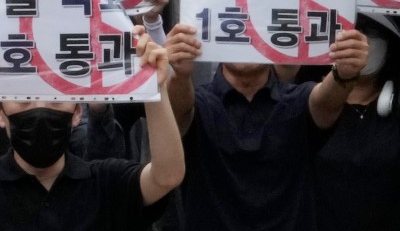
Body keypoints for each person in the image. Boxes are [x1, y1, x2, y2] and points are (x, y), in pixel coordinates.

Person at [0, 34, 183, 229]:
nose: (40, 109)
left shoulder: (106, 183)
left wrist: (155, 90)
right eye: (23, 100)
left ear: (77, 112)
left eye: (56, 99)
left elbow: (166, 176)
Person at [166, 19, 366, 231]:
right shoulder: (199, 104)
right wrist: (179, 74)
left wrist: (344, 73)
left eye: (254, 27)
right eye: (235, 27)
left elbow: (325, 102)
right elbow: (178, 111)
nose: (246, 38)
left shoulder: (298, 100)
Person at [315, 14, 400, 228]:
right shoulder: (309, 104)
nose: (360, 42)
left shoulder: (396, 107)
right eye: (351, 31)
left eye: (372, 33)